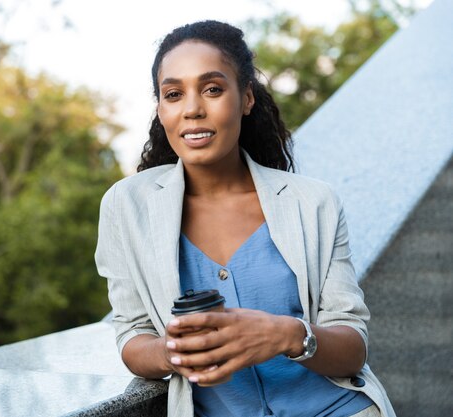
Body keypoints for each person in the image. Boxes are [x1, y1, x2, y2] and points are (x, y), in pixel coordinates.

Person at [95, 20, 395, 417]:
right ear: (161, 109)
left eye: (213, 89)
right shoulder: (126, 206)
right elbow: (132, 333)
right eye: (173, 94)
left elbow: (353, 347)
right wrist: (175, 353)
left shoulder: (312, 202)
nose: (192, 109)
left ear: (246, 98)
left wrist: (287, 335)